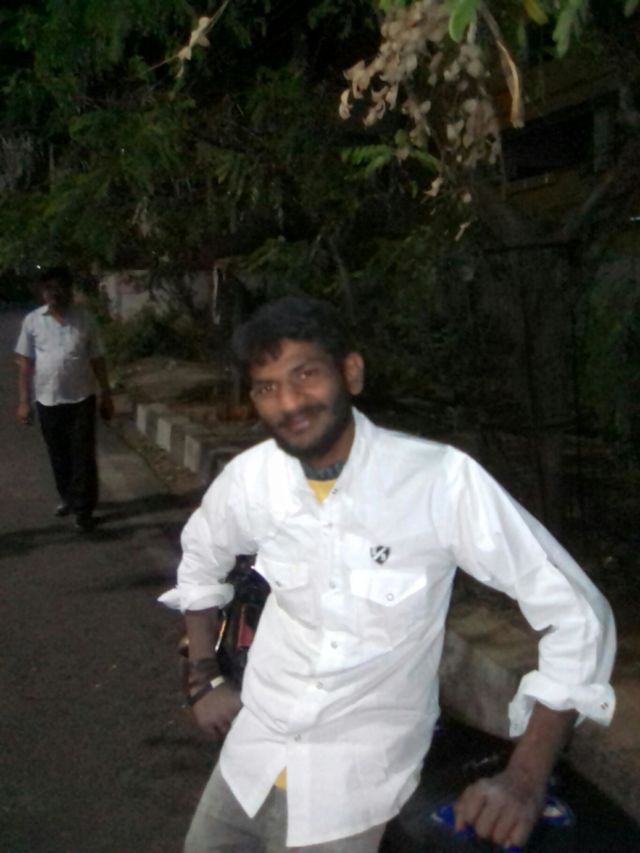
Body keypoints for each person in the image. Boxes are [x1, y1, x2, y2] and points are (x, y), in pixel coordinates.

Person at [160, 295, 616, 852]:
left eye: (305, 375)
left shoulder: (439, 483)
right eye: (267, 387)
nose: (289, 403)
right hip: (248, 761)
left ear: (350, 373)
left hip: (352, 795)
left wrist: (525, 777)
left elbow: (578, 616)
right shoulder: (252, 480)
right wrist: (204, 677)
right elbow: (200, 559)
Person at [14, 267, 114, 531]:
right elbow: (25, 363)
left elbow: (97, 358)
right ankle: (68, 497)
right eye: (48, 289)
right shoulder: (33, 321)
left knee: (83, 454)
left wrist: (106, 394)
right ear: (42, 292)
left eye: (59, 287)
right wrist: (24, 401)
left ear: (69, 290)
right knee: (58, 454)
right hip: (47, 400)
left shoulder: (84, 319)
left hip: (81, 398)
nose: (54, 293)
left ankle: (84, 510)